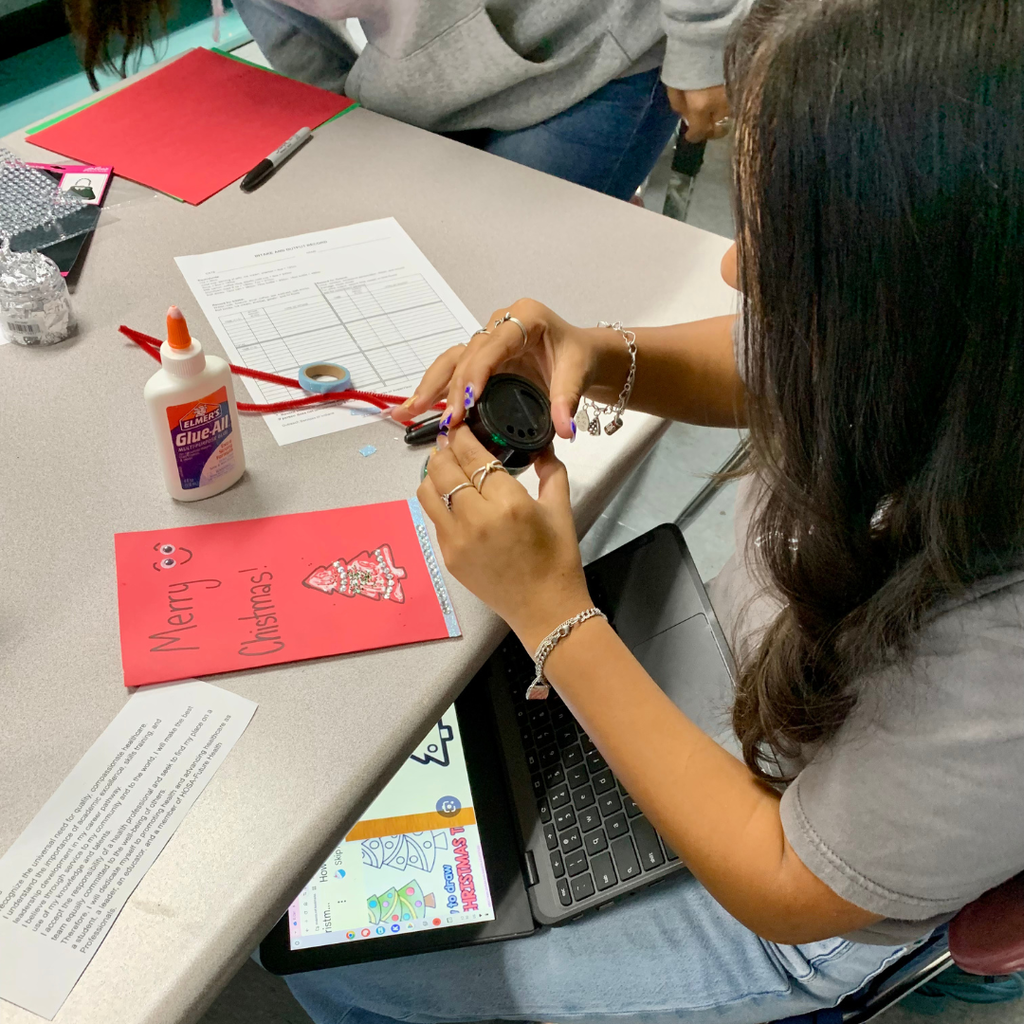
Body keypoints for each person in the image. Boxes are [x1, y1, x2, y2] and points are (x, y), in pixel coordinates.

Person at [286, 0, 1024, 1021]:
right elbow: (789, 359)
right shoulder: (963, 352)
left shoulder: (1001, 644)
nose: (731, 269)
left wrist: (554, 619)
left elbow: (789, 885)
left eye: (771, 244)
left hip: (790, 889)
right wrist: (600, 351)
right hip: (733, 671)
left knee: (342, 963)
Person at [63, 0, 744, 201]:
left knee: (511, 284)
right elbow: (292, 31)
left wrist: (701, 36)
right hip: (433, 63)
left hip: (595, 43)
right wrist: (348, 136)